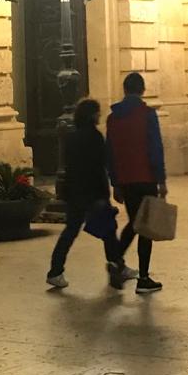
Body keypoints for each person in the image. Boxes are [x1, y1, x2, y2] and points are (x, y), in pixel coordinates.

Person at [47, 99, 131, 290]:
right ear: (92, 115)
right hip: (93, 193)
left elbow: (69, 167)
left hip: (76, 192)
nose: (99, 115)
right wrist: (106, 191)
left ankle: (55, 271)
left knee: (70, 232)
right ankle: (118, 266)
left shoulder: (71, 138)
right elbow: (100, 166)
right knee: (108, 231)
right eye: (97, 112)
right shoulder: (95, 137)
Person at [107, 72, 168, 294]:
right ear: (142, 90)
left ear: (124, 90)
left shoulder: (113, 118)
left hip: (125, 179)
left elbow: (110, 153)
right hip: (146, 177)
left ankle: (116, 260)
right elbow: (155, 148)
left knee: (134, 222)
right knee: (145, 228)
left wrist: (115, 182)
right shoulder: (147, 114)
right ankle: (143, 278)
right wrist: (161, 180)